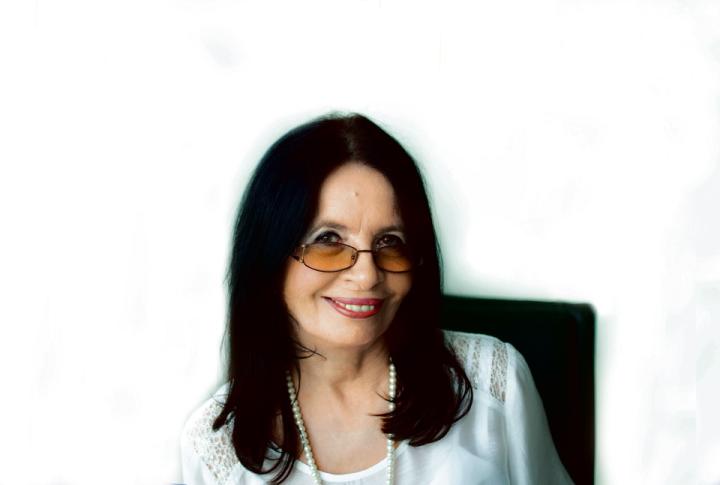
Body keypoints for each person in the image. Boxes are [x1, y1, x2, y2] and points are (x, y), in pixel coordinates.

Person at [180, 113, 573, 485]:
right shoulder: (213, 445)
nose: (368, 275)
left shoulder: (495, 383)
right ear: (268, 256)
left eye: (390, 241)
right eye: (328, 240)